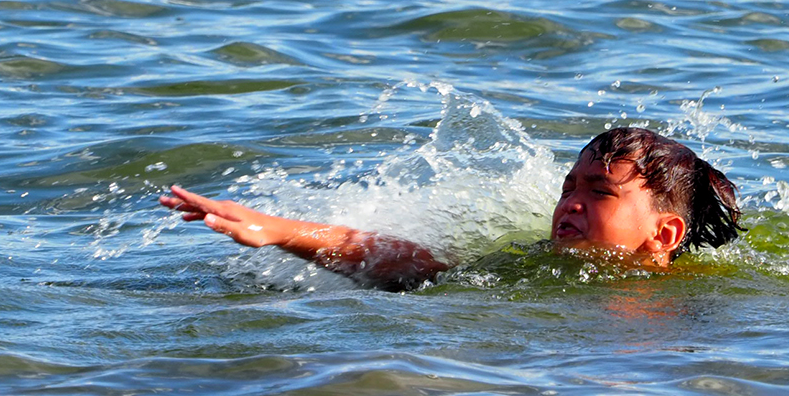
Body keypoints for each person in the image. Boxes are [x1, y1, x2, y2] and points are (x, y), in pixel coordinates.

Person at [158, 126, 740, 291]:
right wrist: (278, 230)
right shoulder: (537, 267)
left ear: (664, 235)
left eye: (600, 192)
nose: (572, 203)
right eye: (569, 187)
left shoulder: (676, 310)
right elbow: (417, 267)